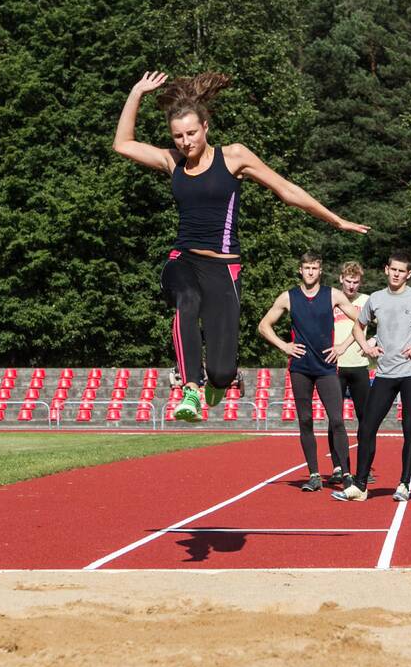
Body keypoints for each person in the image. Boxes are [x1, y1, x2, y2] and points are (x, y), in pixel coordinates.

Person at [113, 71, 368, 423]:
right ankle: (190, 388)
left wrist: (334, 219)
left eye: (191, 133)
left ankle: (216, 382)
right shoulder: (172, 161)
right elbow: (122, 144)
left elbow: (286, 190)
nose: (185, 142)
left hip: (224, 269)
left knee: (221, 371)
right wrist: (136, 92)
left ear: (206, 126)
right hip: (183, 259)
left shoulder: (233, 157)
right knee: (185, 301)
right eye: (177, 136)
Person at [332, 252, 411, 502]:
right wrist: (366, 347)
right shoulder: (376, 299)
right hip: (384, 374)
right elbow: (358, 325)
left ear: (408, 274)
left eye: (402, 271)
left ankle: (404, 484)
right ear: (386, 269)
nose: (397, 274)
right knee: (366, 428)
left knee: (410, 430)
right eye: (394, 269)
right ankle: (360, 486)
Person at [257, 253, 368, 491]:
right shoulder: (288, 297)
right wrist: (284, 345)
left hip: (327, 368)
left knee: (337, 421)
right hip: (300, 368)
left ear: (320, 270)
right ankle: (314, 474)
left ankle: (347, 474)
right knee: (305, 421)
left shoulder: (333, 295)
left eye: (314, 268)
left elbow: (362, 320)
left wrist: (343, 346)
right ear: (300, 270)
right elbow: (264, 325)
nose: (310, 272)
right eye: (306, 267)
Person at [330, 262, 372, 423]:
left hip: (359, 364)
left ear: (360, 282)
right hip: (335, 365)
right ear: (341, 278)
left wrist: (374, 341)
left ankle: (365, 449)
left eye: (355, 282)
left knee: (365, 416)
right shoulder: (331, 299)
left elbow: (386, 325)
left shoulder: (367, 300)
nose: (351, 286)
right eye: (348, 281)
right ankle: (336, 450)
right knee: (335, 419)